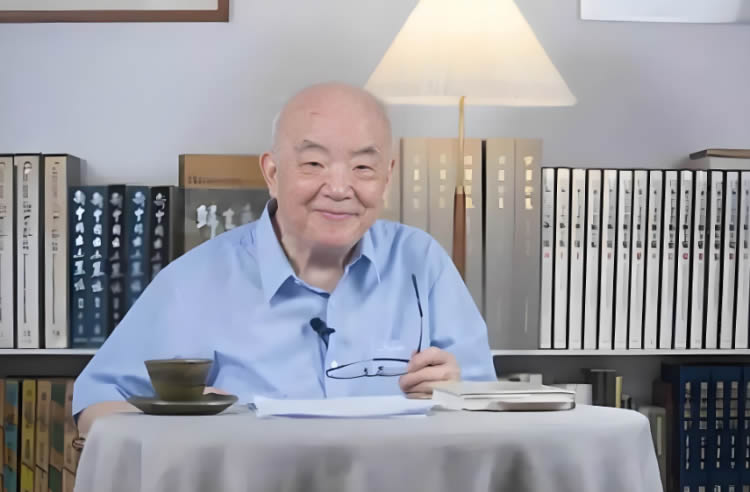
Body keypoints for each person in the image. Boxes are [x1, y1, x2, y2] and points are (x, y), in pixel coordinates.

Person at [73, 82, 496, 436]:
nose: (339, 188)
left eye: (363, 168)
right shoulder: (196, 279)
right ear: (272, 173)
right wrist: (176, 419)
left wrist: (458, 394)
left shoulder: (422, 262)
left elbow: (489, 406)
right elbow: (95, 407)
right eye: (314, 163)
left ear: (387, 178)